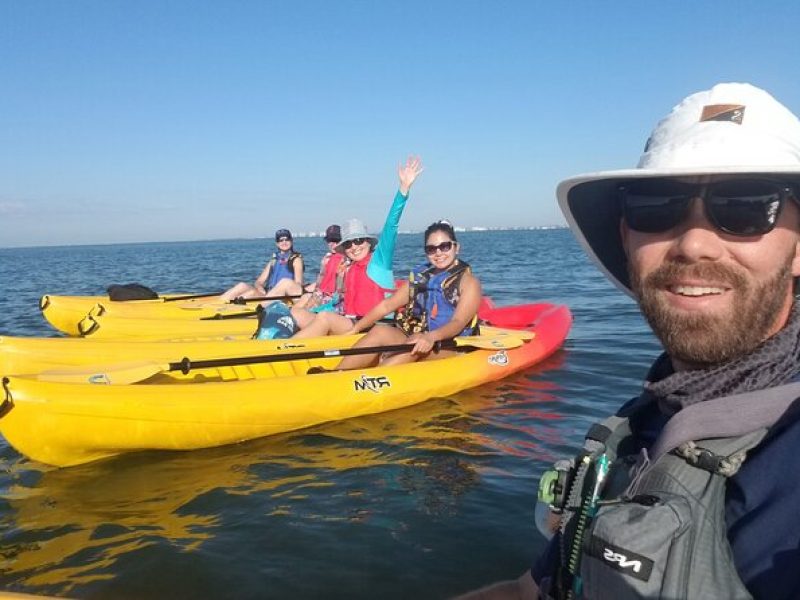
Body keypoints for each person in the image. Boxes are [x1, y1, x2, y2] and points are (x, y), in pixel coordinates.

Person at [462, 83, 800, 600]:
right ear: (626, 238)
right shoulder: (640, 423)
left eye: (747, 207)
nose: (693, 243)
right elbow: (529, 592)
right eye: (656, 207)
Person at [291, 156, 424, 338]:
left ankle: (282, 352)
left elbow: (391, 226)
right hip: (348, 321)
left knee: (325, 318)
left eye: (359, 240)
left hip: (372, 328)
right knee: (297, 313)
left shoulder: (380, 261)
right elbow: (339, 302)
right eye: (348, 243)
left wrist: (404, 189)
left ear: (369, 242)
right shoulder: (349, 267)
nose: (354, 246)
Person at [322, 220, 481, 371]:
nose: (438, 253)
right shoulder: (421, 277)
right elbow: (387, 305)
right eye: (431, 249)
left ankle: (371, 378)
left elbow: (458, 322)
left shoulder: (468, 283)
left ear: (456, 247)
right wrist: (356, 328)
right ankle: (338, 373)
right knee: (380, 331)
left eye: (444, 246)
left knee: (413, 343)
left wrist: (431, 337)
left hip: (450, 345)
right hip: (418, 337)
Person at [220, 229, 304, 301]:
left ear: (291, 241)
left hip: (282, 296)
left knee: (252, 293)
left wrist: (283, 291)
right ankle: (218, 303)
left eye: (287, 239)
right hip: (268, 294)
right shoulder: (274, 260)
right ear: (277, 244)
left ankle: (231, 309)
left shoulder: (296, 260)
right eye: (281, 240)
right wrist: (260, 287)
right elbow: (259, 281)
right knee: (242, 285)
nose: (284, 242)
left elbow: (298, 284)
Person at [291, 224, 346, 310]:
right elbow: (321, 281)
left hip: (333, 299)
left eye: (336, 240)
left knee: (302, 310)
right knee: (299, 304)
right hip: (321, 294)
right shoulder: (327, 258)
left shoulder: (346, 259)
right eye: (329, 240)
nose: (332, 244)